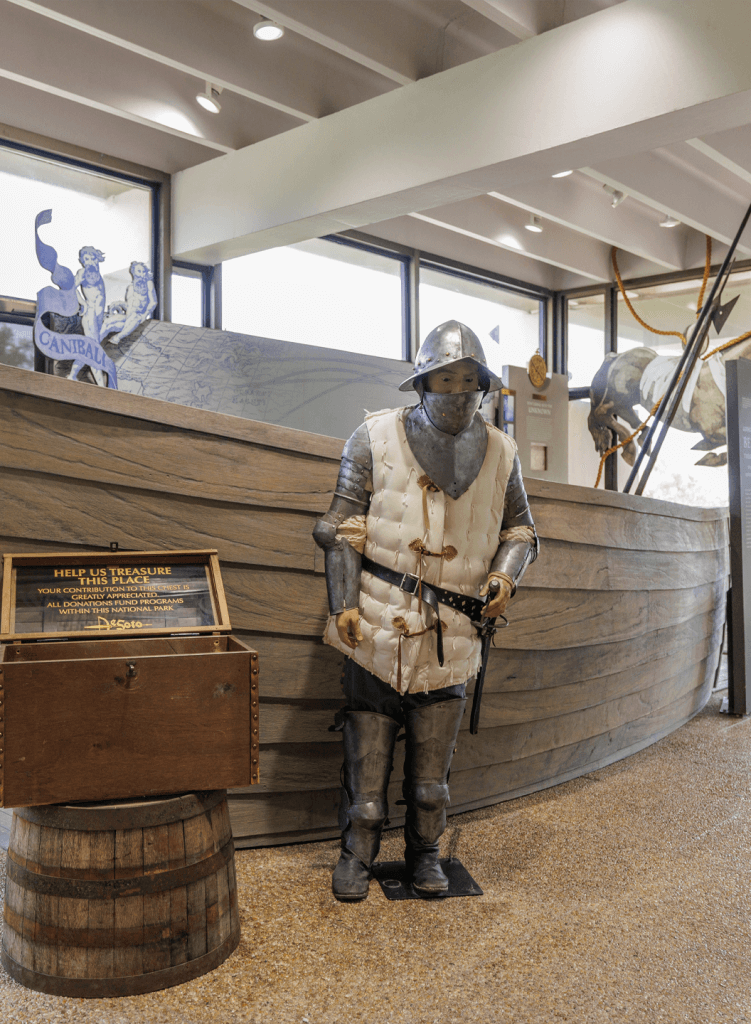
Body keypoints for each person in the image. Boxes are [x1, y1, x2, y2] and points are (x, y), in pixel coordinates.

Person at [313, 320, 539, 901]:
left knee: (431, 781)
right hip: (376, 623)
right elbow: (339, 526)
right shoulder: (372, 437)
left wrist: (502, 575)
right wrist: (342, 603)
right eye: (445, 376)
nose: (457, 388)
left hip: (454, 631)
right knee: (367, 759)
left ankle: (425, 856)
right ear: (422, 382)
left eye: (468, 377)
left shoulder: (503, 451)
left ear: (483, 384)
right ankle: (356, 855)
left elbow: (521, 530)